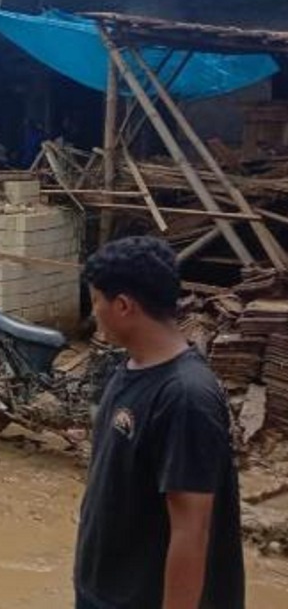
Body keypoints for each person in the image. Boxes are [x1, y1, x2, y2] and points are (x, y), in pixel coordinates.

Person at [75, 237, 243, 609]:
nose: (93, 313)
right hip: (105, 591)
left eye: (96, 301)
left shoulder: (185, 397)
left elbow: (191, 530)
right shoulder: (127, 369)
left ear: (123, 306)